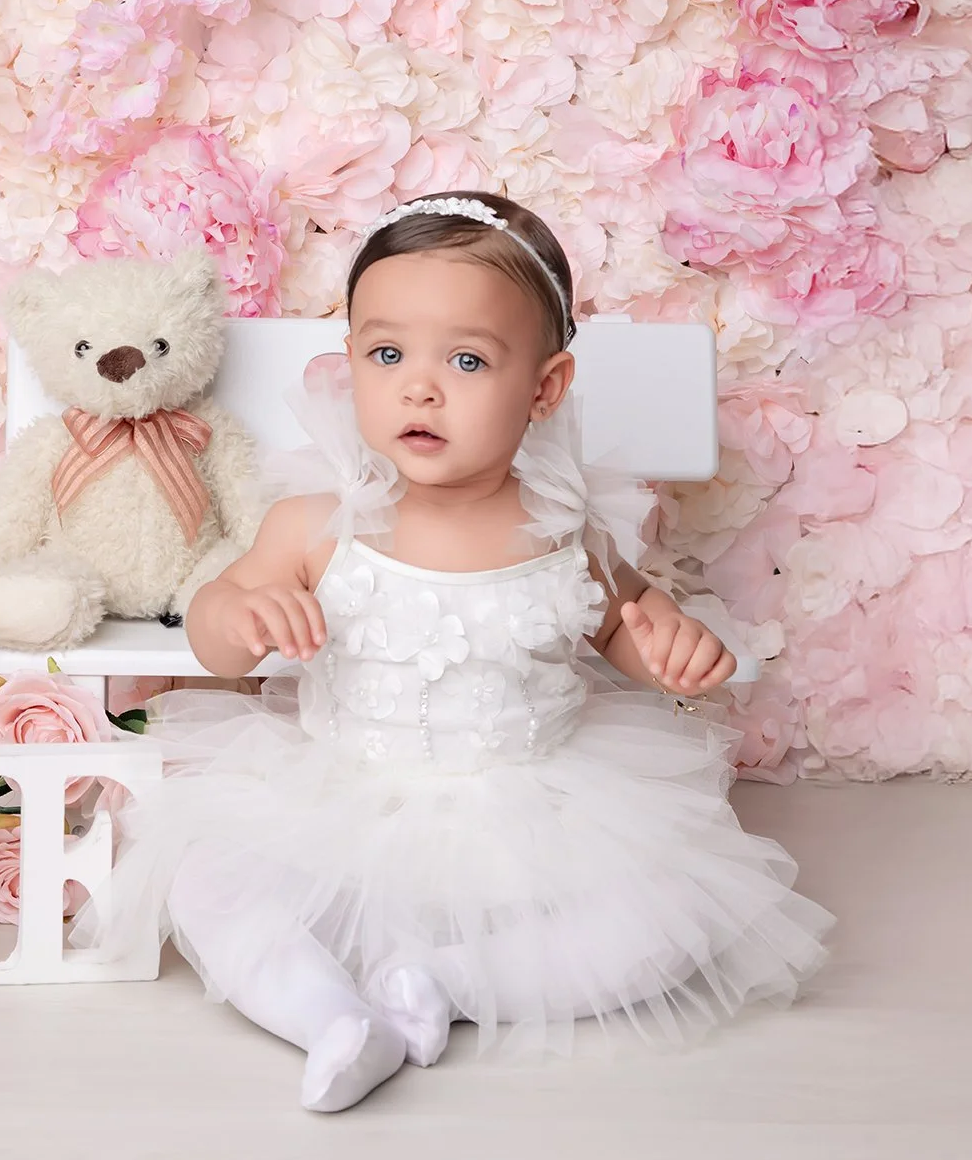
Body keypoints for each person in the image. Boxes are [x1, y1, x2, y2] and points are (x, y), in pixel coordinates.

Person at [76, 193, 833, 1112]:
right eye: (386, 354)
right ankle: (327, 1018)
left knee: (666, 926)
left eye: (467, 359)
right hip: (336, 795)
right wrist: (248, 610)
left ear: (545, 388)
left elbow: (627, 622)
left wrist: (670, 644)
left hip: (538, 807)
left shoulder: (568, 530)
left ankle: (444, 983)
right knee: (207, 883)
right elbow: (212, 617)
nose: (418, 387)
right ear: (348, 360)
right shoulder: (317, 521)